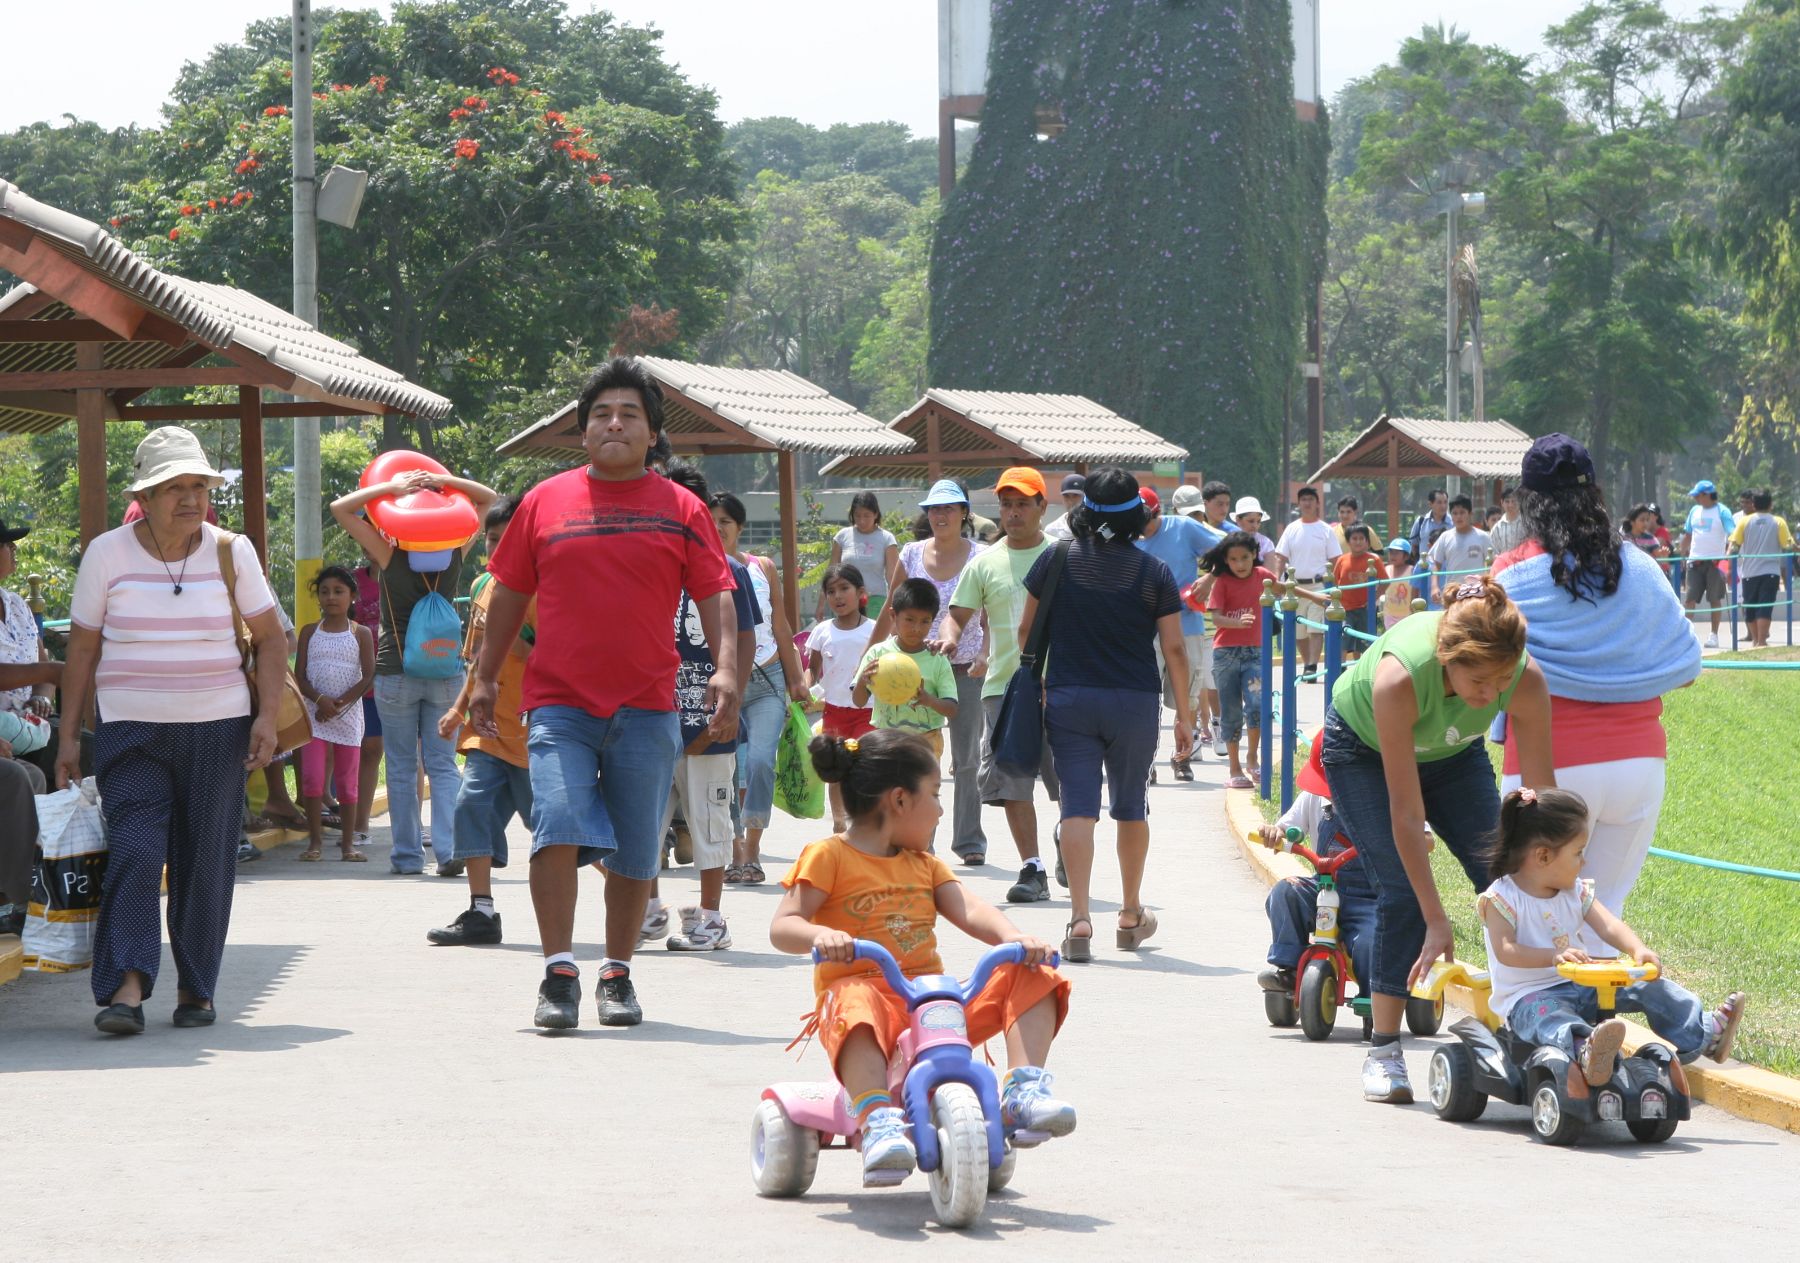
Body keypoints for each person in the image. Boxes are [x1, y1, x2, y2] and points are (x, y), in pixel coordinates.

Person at [471, 356, 739, 1030]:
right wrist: (481, 675)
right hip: (560, 703)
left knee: (634, 847)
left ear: (653, 434)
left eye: (629, 414)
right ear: (583, 431)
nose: (613, 423)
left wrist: (728, 668)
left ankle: (617, 972)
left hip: (647, 705)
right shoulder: (543, 502)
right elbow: (508, 595)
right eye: (600, 414)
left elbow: (716, 594)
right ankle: (559, 970)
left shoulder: (683, 509)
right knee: (555, 824)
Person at [55, 427, 286, 1034]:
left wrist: (265, 718)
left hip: (219, 726)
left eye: (198, 486)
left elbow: (270, 637)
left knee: (205, 859)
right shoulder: (107, 554)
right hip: (131, 729)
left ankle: (196, 987)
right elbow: (81, 650)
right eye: (175, 487)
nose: (190, 499)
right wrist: (70, 738)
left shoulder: (231, 551)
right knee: (135, 849)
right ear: (147, 495)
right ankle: (126, 988)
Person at [769, 730, 1075, 1186]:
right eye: (934, 795)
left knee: (1032, 972)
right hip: (866, 998)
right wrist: (823, 935)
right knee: (853, 998)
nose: (939, 810)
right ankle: (877, 1120)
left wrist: (1015, 938)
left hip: (929, 1009)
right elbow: (784, 925)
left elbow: (970, 909)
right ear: (899, 800)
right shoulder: (828, 855)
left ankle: (1022, 1088)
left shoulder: (925, 864)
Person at [1320, 575, 1555, 1102]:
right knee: (1401, 891)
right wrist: (1435, 917)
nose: (1492, 695)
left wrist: (1551, 874)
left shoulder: (1524, 678)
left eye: (1502, 681)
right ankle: (1383, 1050)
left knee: (1510, 875)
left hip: (1452, 757)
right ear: (1448, 656)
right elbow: (1408, 816)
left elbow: (1542, 797)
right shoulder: (1399, 679)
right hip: (1363, 753)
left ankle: (1528, 1024)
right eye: (1480, 681)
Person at [1493, 434, 1702, 924]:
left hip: (1547, 764)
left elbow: (1486, 666)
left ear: (1528, 500)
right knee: (1604, 915)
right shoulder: (1643, 567)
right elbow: (1686, 668)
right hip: (1639, 764)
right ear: (1596, 494)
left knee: (1533, 915)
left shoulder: (1510, 571)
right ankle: (1601, 1004)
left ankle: (1543, 1005)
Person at [1018, 468, 1192, 961]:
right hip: (1134, 702)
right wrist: (1184, 713)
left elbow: (1026, 632)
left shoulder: (1055, 560)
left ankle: (1078, 920)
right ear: (1137, 515)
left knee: (1077, 806)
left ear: (1083, 511)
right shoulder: (1152, 571)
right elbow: (1175, 649)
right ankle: (1131, 912)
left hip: (1070, 696)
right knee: (1130, 805)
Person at [1479, 787, 1747, 1082]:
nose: (1584, 862)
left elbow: (1608, 925)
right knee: (1553, 1018)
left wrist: (1638, 950)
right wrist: (1554, 957)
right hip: (1527, 999)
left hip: (1580, 983)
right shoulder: (1502, 899)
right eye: (1578, 853)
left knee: (1647, 986)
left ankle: (1703, 1033)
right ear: (1543, 856)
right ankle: (1586, 1050)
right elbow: (1506, 950)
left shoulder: (1574, 891)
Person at [332, 467, 498, 876]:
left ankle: (407, 857)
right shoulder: (456, 553)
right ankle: (448, 851)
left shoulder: (390, 555)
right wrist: (445, 484)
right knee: (442, 766)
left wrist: (390, 488)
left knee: (404, 767)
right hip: (445, 672)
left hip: (395, 670)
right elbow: (488, 497)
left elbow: (340, 509)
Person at [635, 463, 761, 953]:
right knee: (642, 820)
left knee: (710, 820)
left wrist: (734, 699)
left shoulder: (729, 572)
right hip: (648, 715)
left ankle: (710, 918)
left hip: (707, 717)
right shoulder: (644, 563)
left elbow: (744, 640)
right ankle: (647, 910)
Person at [938, 467, 1062, 905]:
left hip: (1061, 686)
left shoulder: (1064, 555)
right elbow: (958, 613)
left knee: (1066, 778)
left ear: (1042, 507)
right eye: (1006, 504)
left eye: (1022, 503)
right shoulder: (985, 563)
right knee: (1011, 780)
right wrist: (950, 637)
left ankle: (1070, 835)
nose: (1012, 512)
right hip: (1003, 691)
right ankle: (1033, 867)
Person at [427, 497, 536, 947]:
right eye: (492, 539)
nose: (498, 547)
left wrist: (509, 641)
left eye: (508, 539)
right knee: (470, 806)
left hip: (533, 731)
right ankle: (481, 911)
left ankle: (637, 895)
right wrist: (458, 708)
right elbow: (475, 659)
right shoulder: (479, 587)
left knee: (561, 830)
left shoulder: (540, 591)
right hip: (485, 732)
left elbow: (550, 655)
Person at [869, 479, 989, 865]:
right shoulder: (912, 553)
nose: (940, 516)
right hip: (911, 671)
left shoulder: (981, 556)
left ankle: (969, 840)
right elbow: (891, 609)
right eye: (934, 509)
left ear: (964, 513)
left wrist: (987, 654)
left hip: (965, 667)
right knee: (917, 760)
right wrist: (866, 660)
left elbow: (990, 616)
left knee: (967, 757)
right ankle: (922, 840)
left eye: (949, 509)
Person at [709, 492, 809, 886]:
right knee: (726, 769)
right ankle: (734, 851)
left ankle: (753, 848)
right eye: (711, 520)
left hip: (767, 682)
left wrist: (797, 678)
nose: (717, 528)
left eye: (725, 522)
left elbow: (781, 626)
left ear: (739, 528)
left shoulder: (762, 567)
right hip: (721, 686)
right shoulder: (696, 568)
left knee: (761, 762)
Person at [1253, 732, 1373, 999]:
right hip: (1324, 886)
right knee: (1286, 892)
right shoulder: (1314, 796)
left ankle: (1374, 993)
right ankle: (1289, 968)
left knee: (1371, 941)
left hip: (1368, 895)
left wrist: (1411, 838)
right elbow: (1286, 827)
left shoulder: (1383, 798)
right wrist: (1274, 832)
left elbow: (1421, 834)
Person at [1136, 485, 1225, 778]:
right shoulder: (1126, 540)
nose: (1140, 524)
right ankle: (1146, 761)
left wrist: (1209, 579)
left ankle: (1182, 757)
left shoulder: (1183, 528)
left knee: (1185, 701)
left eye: (1144, 517)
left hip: (1186, 625)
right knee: (1145, 698)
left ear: (1157, 512)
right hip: (1143, 632)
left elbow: (1231, 548)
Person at [293, 565, 374, 863]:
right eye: (324, 592)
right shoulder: (309, 632)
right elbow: (299, 676)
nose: (331, 597)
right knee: (313, 779)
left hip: (348, 718)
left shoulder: (360, 633)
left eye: (339, 592)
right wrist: (320, 700)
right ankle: (314, 842)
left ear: (352, 596)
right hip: (314, 717)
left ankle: (348, 845)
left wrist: (339, 704)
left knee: (347, 782)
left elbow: (367, 675)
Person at [1193, 531, 1277, 789]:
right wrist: (1238, 623)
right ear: (1226, 561)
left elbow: (1286, 589)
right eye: (1234, 559)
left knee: (1257, 705)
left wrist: (1319, 597)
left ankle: (1253, 757)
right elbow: (1216, 618)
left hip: (1256, 653)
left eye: (1245, 557)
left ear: (1255, 555)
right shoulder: (1224, 582)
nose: (1240, 564)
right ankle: (1234, 767)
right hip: (1226, 654)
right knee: (1231, 712)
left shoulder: (1264, 577)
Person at [806, 564, 876, 830]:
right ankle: (839, 824)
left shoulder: (875, 630)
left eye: (844, 588)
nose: (838, 596)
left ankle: (862, 820)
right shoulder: (822, 631)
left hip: (868, 710)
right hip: (833, 711)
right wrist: (805, 687)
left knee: (861, 766)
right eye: (831, 591)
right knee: (835, 769)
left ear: (860, 592)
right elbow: (812, 668)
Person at [853, 578, 957, 756]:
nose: (916, 628)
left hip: (927, 741)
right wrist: (863, 681)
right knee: (888, 784)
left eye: (925, 621)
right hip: (886, 740)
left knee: (922, 784)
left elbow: (952, 709)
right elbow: (858, 701)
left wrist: (929, 700)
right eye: (909, 619)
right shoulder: (877, 654)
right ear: (893, 615)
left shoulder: (937, 659)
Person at [1271, 485, 1341, 683]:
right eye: (1303, 500)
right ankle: (1307, 662)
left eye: (1311, 499)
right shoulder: (1291, 529)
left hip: (1319, 586)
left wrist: (1335, 584)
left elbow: (1336, 559)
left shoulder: (1326, 530)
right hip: (1294, 587)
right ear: (1299, 503)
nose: (1307, 503)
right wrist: (1277, 579)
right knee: (1299, 632)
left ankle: (1311, 667)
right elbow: (1280, 557)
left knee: (1315, 628)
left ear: (1317, 503)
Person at [349, 554, 385, 850]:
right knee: (369, 749)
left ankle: (411, 829)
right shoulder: (353, 581)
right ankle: (360, 825)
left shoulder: (410, 576)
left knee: (410, 755)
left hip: (405, 675)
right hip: (364, 680)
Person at [1729, 490, 1794, 649]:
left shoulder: (1744, 522)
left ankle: (1756, 641)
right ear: (1771, 505)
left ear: (1753, 504)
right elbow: (1788, 546)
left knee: (1750, 606)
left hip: (1749, 572)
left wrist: (1728, 563)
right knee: (1765, 606)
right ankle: (1762, 642)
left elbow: (1734, 547)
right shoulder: (1778, 522)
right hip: (1771, 571)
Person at [819, 492, 898, 620]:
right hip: (847, 601)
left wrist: (898, 603)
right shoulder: (842, 536)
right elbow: (831, 572)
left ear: (876, 514)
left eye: (866, 516)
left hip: (876, 600)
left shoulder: (886, 538)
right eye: (857, 516)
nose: (862, 521)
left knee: (873, 638)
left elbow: (892, 576)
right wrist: (821, 603)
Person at [1679, 479, 1735, 649]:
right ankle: (1686, 635)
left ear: (1708, 495)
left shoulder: (1723, 511)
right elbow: (1687, 535)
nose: (1696, 499)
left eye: (1699, 495)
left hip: (1717, 562)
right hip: (1694, 561)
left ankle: (1714, 635)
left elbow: (1732, 536)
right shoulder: (1694, 511)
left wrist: (1726, 557)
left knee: (1715, 599)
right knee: (1689, 599)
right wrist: (1682, 554)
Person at [1427, 495, 1492, 606]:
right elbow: (1436, 564)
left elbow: (1493, 563)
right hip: (1453, 593)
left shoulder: (1483, 537)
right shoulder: (1445, 537)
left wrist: (1490, 586)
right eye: (1455, 513)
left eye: (1462, 512)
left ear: (1470, 514)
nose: (1458, 517)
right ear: (1451, 515)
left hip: (1477, 593)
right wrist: (1434, 587)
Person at [1331, 523, 1388, 646]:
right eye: (1354, 539)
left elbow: (1385, 581)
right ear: (1348, 541)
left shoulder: (1374, 560)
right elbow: (1334, 582)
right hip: (1345, 608)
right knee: (1343, 639)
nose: (1358, 542)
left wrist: (1374, 597)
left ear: (1367, 542)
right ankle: (1342, 665)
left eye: (1361, 539)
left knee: (1363, 642)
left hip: (1365, 608)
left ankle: (1360, 665)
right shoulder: (1342, 560)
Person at [1407, 489, 1451, 570]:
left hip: (1446, 570)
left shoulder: (1453, 524)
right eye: (1439, 502)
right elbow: (1414, 545)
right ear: (1430, 504)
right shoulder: (1421, 521)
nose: (1443, 506)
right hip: (1424, 569)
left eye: (1445, 502)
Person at [1380, 538, 1419, 629]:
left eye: (1397, 553)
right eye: (1391, 552)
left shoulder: (1412, 571)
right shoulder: (1386, 569)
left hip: (1407, 615)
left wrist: (1413, 612)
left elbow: (1416, 592)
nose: (1393, 556)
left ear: (1406, 556)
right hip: (1389, 615)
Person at [1231, 496, 1277, 566]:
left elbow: (1270, 574)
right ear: (1238, 520)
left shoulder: (1266, 544)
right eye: (1251, 521)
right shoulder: (1228, 542)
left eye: (1258, 521)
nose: (1255, 526)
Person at [1043, 473, 1085, 542]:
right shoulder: (1052, 530)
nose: (1071, 501)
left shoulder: (1096, 527)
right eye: (1066, 496)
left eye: (1076, 495)